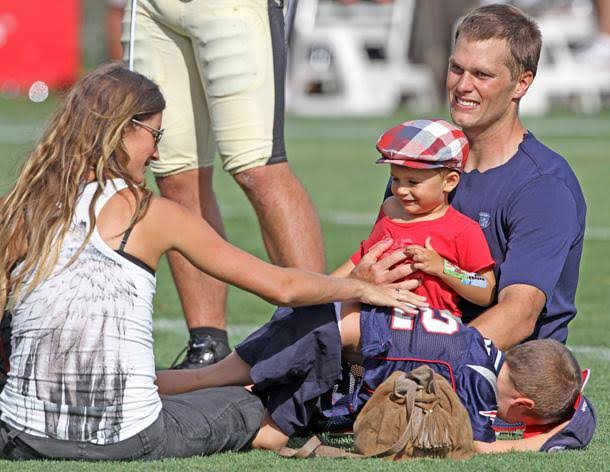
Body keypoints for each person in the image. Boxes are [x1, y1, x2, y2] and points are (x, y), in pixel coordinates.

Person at [0, 63, 416, 461]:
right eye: (154, 135)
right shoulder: (151, 213)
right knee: (245, 401)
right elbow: (282, 287)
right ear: (123, 130)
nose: (158, 154)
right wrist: (359, 286)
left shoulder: (17, 210)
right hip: (129, 438)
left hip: (20, 436)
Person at [123, 0, 326, 368]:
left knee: (257, 165)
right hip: (152, 9)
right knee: (173, 171)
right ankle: (207, 345)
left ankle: (322, 345)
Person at [384, 3, 586, 350]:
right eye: (456, 69)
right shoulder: (423, 162)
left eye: (481, 75)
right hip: (414, 335)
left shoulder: (543, 186)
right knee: (314, 322)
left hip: (502, 367)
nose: (463, 85)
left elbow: (518, 315)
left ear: (521, 83)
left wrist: (431, 360)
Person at [155, 299, 596, 454]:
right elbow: (478, 447)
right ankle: (134, 394)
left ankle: (145, 395)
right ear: (523, 404)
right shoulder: (481, 384)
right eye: (519, 420)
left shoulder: (480, 345)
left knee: (241, 397)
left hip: (326, 330)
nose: (510, 423)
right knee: (214, 379)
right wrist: (535, 444)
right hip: (322, 335)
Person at [332, 118, 496, 318]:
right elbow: (364, 257)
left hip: (430, 327)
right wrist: (324, 290)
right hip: (374, 315)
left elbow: (485, 288)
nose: (401, 189)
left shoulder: (462, 229)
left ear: (449, 182)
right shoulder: (390, 209)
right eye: (395, 178)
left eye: (413, 182)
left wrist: (444, 268)